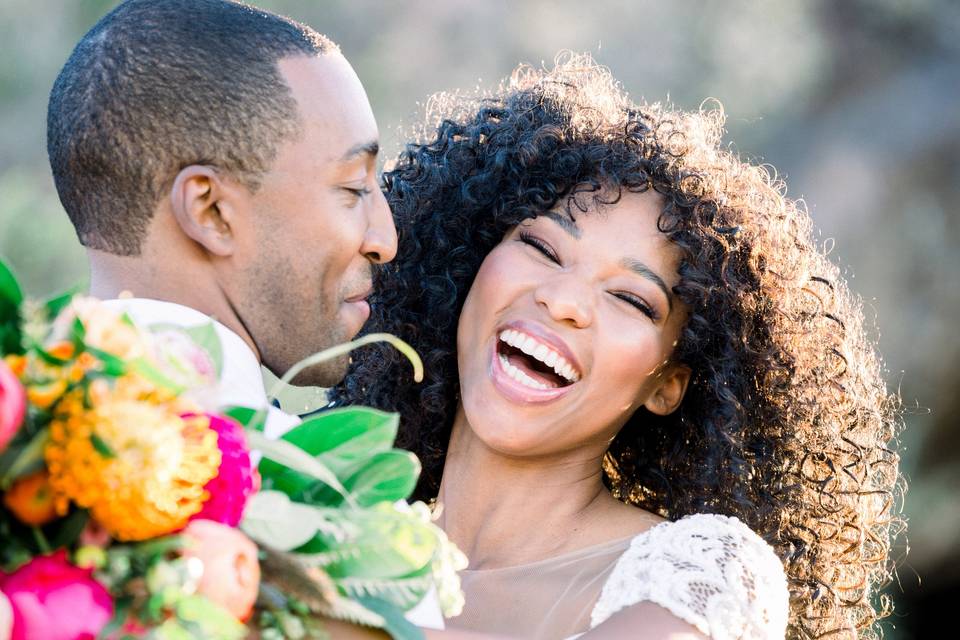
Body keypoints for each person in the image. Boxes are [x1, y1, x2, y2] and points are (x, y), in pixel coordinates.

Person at [332, 54, 905, 639]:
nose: (565, 302)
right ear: (470, 264)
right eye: (543, 247)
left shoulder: (707, 570)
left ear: (667, 385)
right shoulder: (329, 534)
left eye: (632, 299)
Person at [45, 0, 447, 633]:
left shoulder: (26, 449)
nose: (385, 237)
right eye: (354, 188)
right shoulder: (349, 541)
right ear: (211, 212)